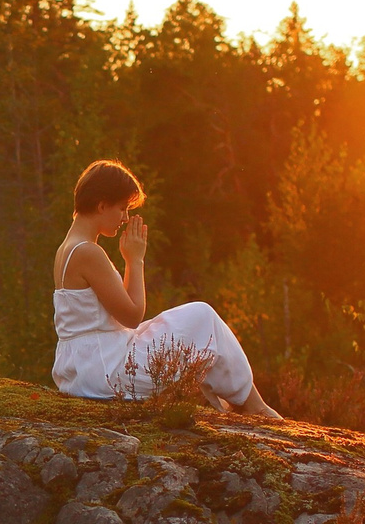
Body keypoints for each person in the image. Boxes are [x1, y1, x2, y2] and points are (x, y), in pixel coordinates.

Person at [52, 159, 281, 418]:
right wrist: (135, 260)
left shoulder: (67, 249)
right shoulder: (88, 252)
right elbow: (132, 315)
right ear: (102, 204)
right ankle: (254, 406)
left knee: (187, 323)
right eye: (122, 208)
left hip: (84, 367)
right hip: (106, 370)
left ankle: (244, 402)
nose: (125, 218)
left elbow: (118, 317)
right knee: (202, 316)